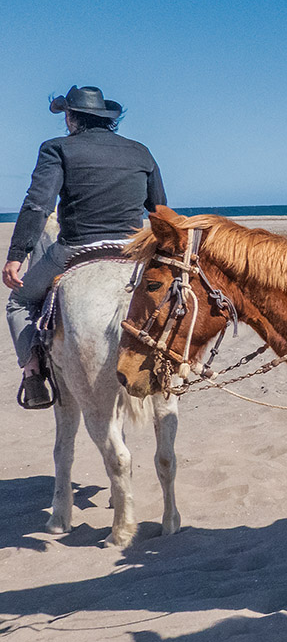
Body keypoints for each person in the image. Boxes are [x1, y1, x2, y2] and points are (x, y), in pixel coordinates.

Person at [5, 85, 167, 409]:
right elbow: (159, 209)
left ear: (70, 118)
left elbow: (38, 205)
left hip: (77, 249)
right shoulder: (141, 151)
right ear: (107, 118)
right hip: (131, 252)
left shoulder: (57, 149)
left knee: (18, 302)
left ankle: (33, 373)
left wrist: (16, 255)